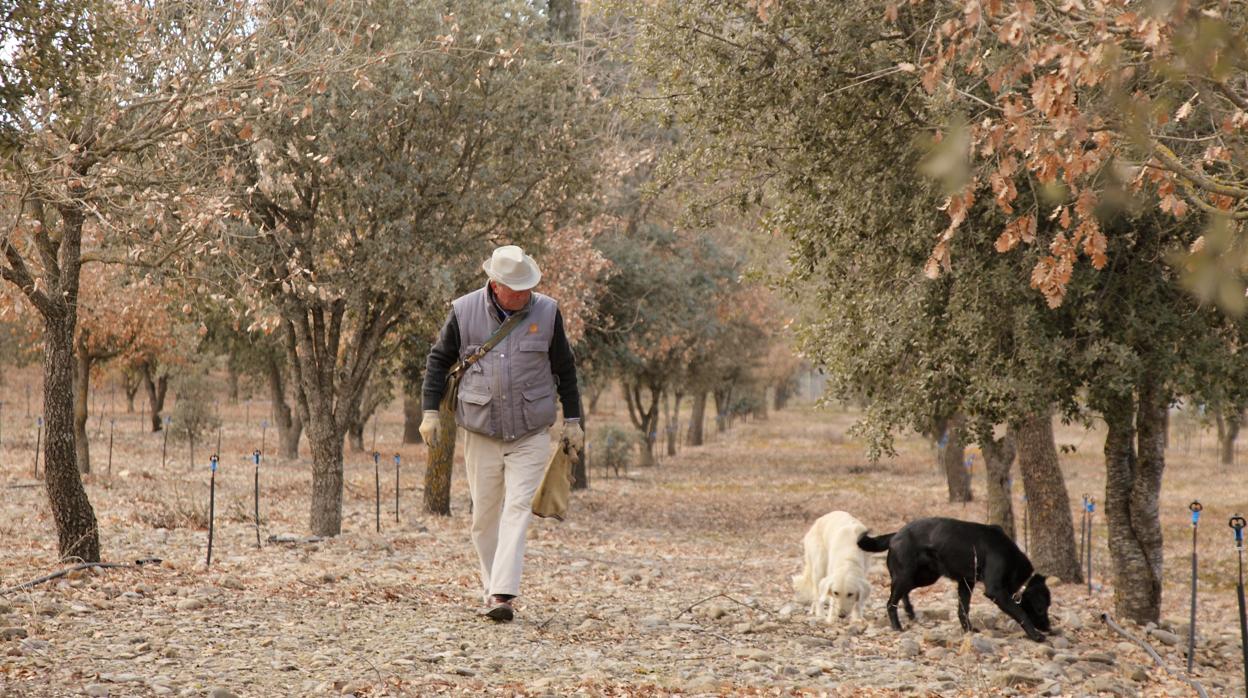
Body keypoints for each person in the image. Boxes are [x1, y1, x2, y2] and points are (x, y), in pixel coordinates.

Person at [420, 244, 584, 622]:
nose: (525, 293)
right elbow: (437, 361)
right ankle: (492, 588)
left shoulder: (547, 312)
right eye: (516, 287)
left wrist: (573, 421)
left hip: (530, 432)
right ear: (495, 285)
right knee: (484, 518)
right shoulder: (463, 312)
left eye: (528, 285)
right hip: (481, 431)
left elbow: (566, 371)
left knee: (517, 508)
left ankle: (502, 595)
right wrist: (430, 412)